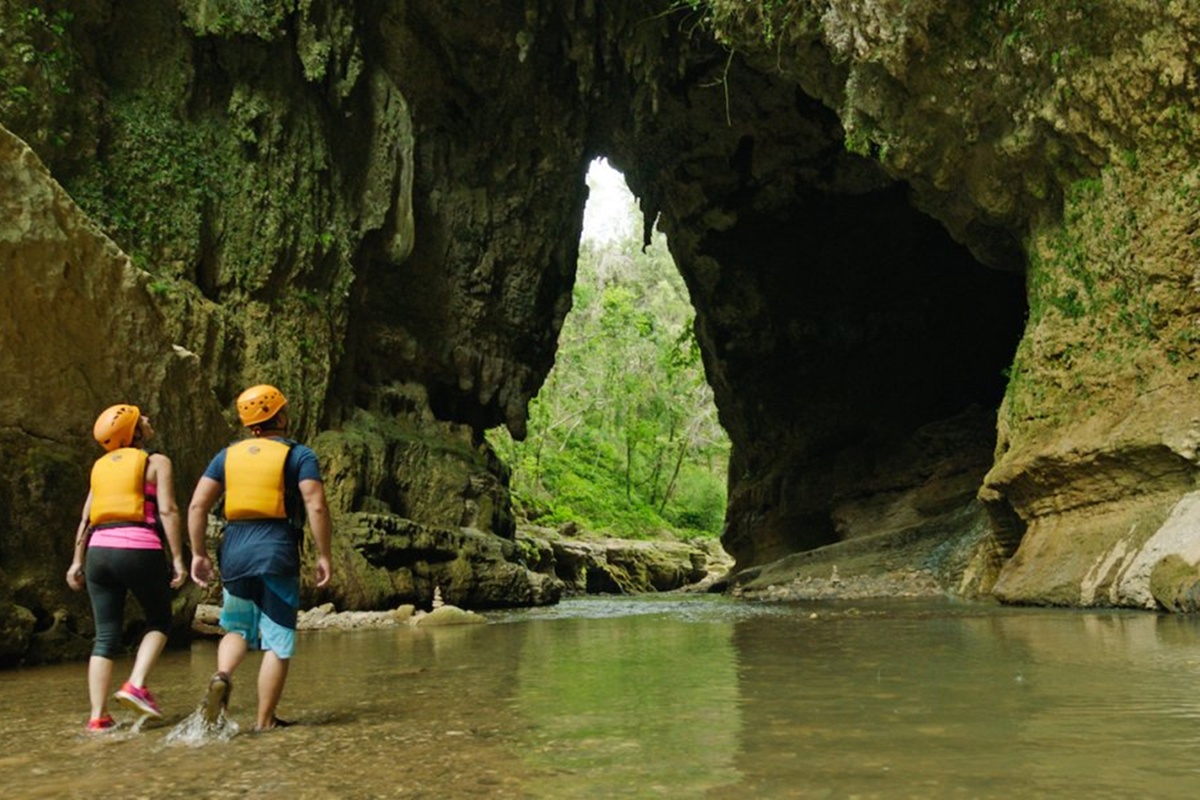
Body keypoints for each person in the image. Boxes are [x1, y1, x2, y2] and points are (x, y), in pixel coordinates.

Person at [188, 384, 332, 731]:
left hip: (234, 550)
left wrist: (197, 553)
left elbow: (197, 505)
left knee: (237, 627)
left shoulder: (226, 456)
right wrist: (324, 553)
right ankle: (265, 721)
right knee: (278, 638)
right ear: (280, 416)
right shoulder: (300, 455)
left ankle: (222, 675)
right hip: (276, 549)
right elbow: (315, 504)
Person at [67, 404, 188, 732]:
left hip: (97, 552)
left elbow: (86, 518)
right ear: (132, 432)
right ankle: (136, 683)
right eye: (140, 419)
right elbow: (168, 510)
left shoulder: (100, 467)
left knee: (105, 636)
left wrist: (76, 562)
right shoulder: (157, 462)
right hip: (139, 548)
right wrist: (177, 559)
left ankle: (98, 717)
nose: (147, 419)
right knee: (160, 619)